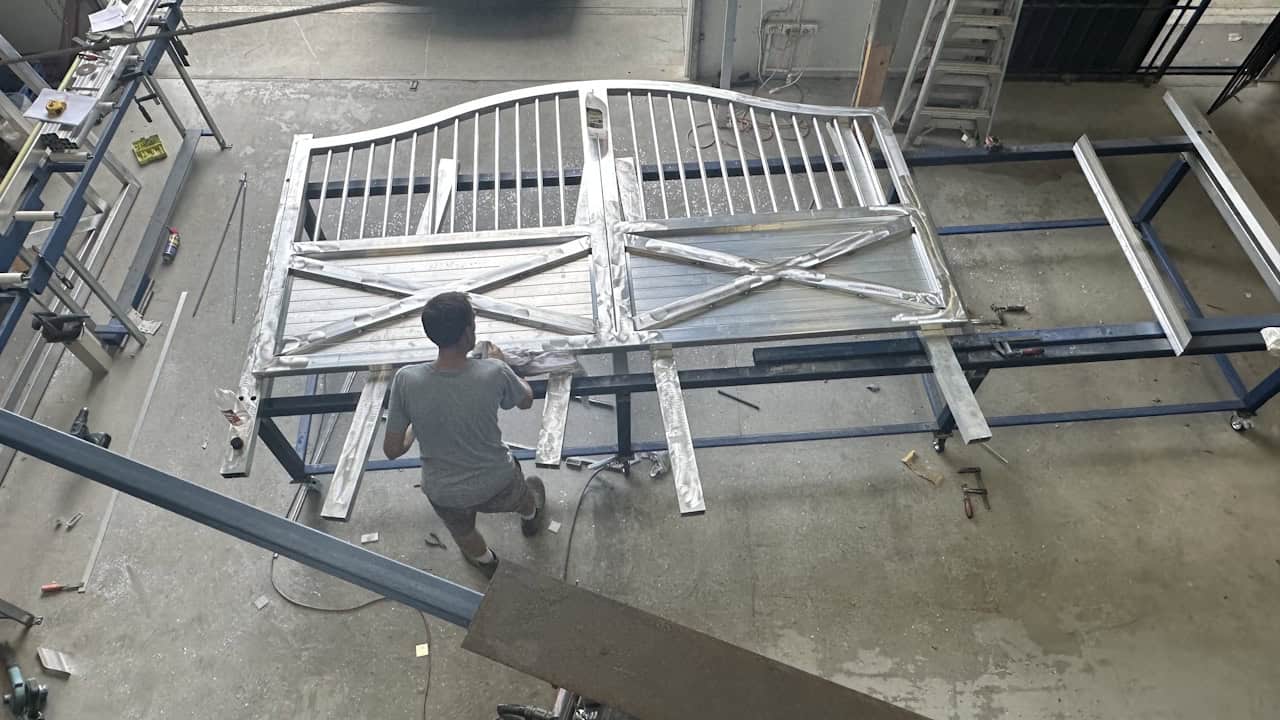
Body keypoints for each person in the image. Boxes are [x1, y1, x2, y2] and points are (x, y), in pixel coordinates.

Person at [383, 291, 546, 578]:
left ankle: (486, 562)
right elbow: (526, 400)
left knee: (463, 531)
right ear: (466, 334)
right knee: (522, 493)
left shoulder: (406, 380)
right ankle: (531, 518)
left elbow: (393, 449)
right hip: (497, 481)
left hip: (444, 492)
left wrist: (416, 422)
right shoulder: (493, 371)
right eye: (473, 323)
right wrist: (503, 364)